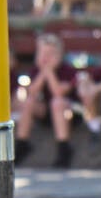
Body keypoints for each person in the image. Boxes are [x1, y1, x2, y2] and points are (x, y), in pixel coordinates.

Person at [14, 34, 80, 168]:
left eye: (50, 54)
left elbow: (59, 92)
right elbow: (32, 92)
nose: (45, 57)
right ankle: (22, 144)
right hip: (46, 113)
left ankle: (64, 148)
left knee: (57, 102)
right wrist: (43, 73)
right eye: (42, 53)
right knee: (28, 102)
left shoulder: (69, 71)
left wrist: (49, 72)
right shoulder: (35, 71)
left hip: (69, 113)